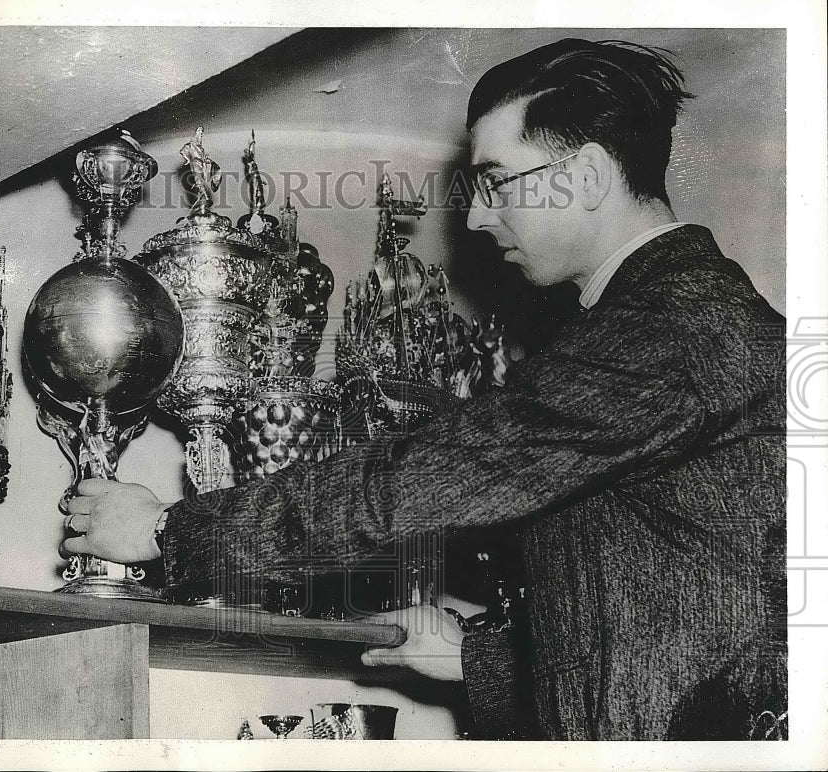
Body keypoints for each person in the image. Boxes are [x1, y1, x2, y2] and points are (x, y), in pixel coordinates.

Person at [60, 39, 787, 741]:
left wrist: (168, 532)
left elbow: (419, 478)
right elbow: (672, 621)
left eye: (498, 180)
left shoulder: (665, 329)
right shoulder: (671, 321)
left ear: (589, 175)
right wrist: (474, 662)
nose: (475, 215)